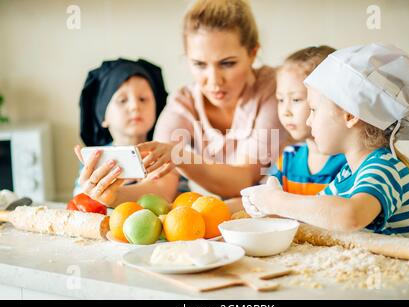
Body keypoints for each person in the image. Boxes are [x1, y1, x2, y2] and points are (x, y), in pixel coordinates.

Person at [241, 43, 409, 240]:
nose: (309, 120)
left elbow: (350, 216)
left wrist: (278, 201)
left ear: (350, 115)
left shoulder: (385, 167)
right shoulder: (347, 174)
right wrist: (263, 204)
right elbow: (314, 216)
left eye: (314, 110)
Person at [137, 0, 288, 199]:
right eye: (199, 64)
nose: (214, 81)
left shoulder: (275, 89)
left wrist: (181, 156)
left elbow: (243, 180)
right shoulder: (183, 102)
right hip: (217, 221)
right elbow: (160, 186)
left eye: (227, 63)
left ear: (252, 53)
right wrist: (110, 194)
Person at [73, 58, 178, 207]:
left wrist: (115, 195)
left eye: (143, 99)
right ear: (102, 116)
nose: (135, 106)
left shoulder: (163, 153)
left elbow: (163, 191)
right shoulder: (96, 160)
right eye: (122, 100)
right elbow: (80, 201)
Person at [271, 46, 346, 195]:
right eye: (280, 99)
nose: (285, 111)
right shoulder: (288, 158)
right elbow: (265, 199)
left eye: (296, 99)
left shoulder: (350, 163)